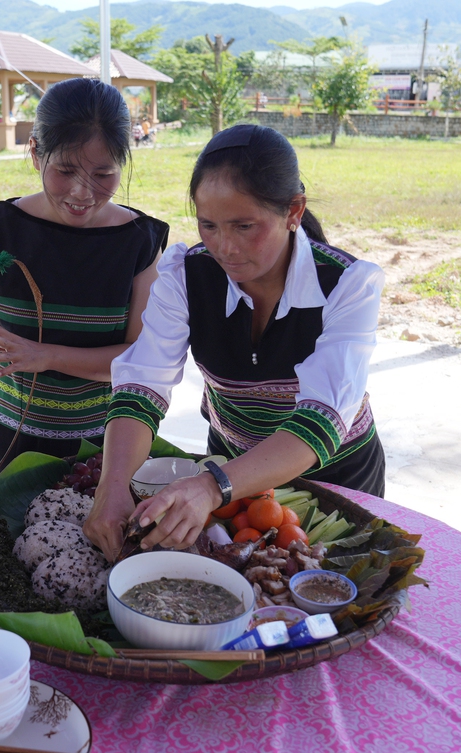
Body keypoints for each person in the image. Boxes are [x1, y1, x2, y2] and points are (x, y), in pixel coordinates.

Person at [83, 124, 386, 561]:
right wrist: (111, 489)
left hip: (335, 477)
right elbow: (141, 386)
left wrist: (210, 486)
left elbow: (323, 417)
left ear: (293, 211)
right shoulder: (186, 276)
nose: (225, 247)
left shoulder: (347, 285)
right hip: (231, 468)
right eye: (209, 225)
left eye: (245, 226)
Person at [0, 79, 169, 470]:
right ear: (36, 154)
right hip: (6, 445)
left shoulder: (140, 242)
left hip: (106, 452)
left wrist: (47, 356)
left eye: (104, 174)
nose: (81, 192)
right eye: (65, 170)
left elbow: (141, 357)